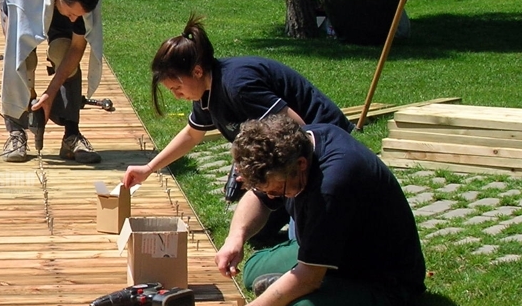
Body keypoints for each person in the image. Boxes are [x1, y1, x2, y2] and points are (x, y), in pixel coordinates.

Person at [208, 113, 425, 306]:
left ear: (301, 165)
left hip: (380, 281)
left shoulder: (332, 185)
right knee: (252, 270)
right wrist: (236, 237)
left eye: (278, 191)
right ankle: (288, 287)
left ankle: (294, 290)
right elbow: (258, 197)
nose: (273, 197)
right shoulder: (297, 144)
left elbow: (310, 276)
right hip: (332, 252)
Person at [122, 16, 352, 195]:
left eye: (177, 88)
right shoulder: (205, 92)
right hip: (296, 145)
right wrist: (149, 169)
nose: (176, 96)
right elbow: (192, 135)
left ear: (198, 71)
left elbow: (298, 130)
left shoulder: (239, 87)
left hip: (324, 139)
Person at [0, 0, 104, 164]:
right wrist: (31, 97)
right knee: (23, 59)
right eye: (73, 13)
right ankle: (16, 133)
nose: (76, 18)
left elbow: (77, 48)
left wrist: (50, 94)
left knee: (62, 51)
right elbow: (14, 50)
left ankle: (71, 135)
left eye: (80, 15)